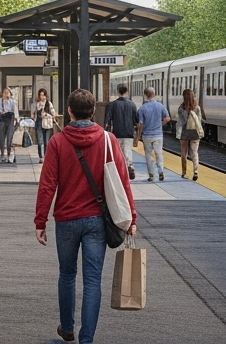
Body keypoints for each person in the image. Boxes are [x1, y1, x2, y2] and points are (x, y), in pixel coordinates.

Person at [35, 89, 138, 344]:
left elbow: (47, 185)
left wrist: (40, 221)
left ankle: (67, 328)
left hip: (67, 220)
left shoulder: (57, 142)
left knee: (67, 274)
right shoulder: (108, 140)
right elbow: (123, 182)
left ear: (69, 111)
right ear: (93, 112)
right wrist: (131, 218)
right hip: (97, 222)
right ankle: (87, 339)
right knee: (93, 279)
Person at [103, 84, 140, 180]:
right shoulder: (132, 104)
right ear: (126, 92)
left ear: (117, 91)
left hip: (117, 133)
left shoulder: (112, 105)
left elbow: (107, 121)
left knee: (117, 152)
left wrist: (106, 133)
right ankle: (130, 166)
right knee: (127, 151)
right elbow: (136, 120)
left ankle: (119, 170)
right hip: (129, 132)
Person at [137, 87, 170, 182]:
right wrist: (161, 124)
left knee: (148, 154)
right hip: (158, 134)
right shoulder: (160, 106)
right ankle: (161, 171)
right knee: (159, 153)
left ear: (145, 95)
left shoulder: (142, 108)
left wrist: (139, 134)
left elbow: (140, 124)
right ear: (154, 94)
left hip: (147, 135)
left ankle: (151, 174)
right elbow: (167, 118)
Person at [177, 88, 203, 181]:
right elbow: (199, 121)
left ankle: (184, 173)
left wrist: (178, 133)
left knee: (184, 153)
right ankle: (196, 171)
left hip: (184, 133)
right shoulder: (197, 107)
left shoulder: (181, 108)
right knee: (194, 153)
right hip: (194, 133)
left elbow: (180, 122)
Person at [0, 87, 19, 163]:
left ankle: (9, 154)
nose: (6, 94)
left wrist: (16, 120)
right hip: (2, 119)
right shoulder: (0, 101)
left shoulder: (13, 102)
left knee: (9, 138)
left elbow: (15, 112)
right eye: (4, 93)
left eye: (7, 93)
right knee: (1, 138)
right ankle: (2, 153)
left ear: (10, 94)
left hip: (10, 119)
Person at [34, 88, 57, 160]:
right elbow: (34, 114)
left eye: (43, 95)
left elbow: (53, 114)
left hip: (47, 123)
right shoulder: (36, 104)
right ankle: (41, 157)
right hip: (39, 123)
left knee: (46, 141)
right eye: (40, 95)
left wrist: (46, 115)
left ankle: (46, 156)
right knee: (40, 141)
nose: (42, 97)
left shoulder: (49, 103)